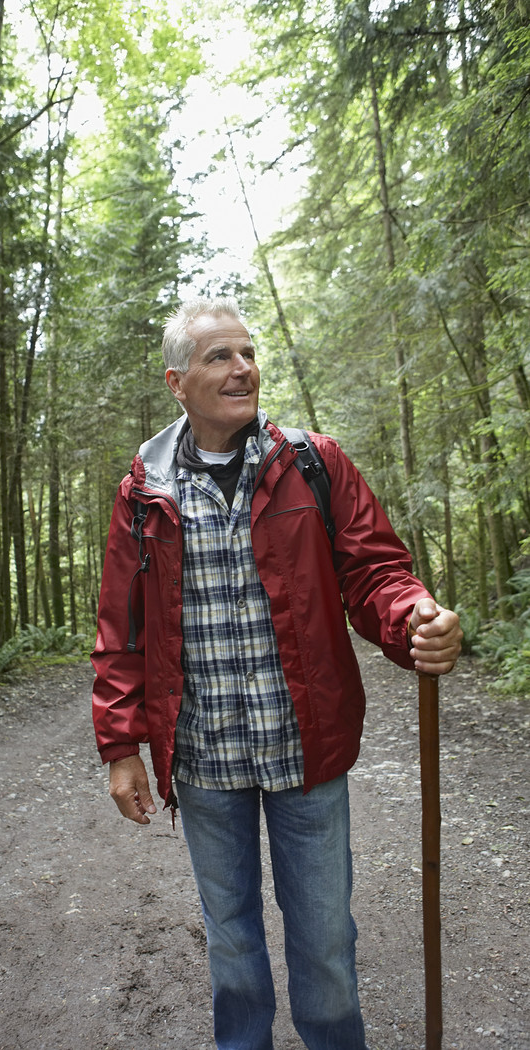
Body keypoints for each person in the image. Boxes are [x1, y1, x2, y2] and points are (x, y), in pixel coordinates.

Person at [91, 295, 462, 1050]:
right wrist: (121, 746)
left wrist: (413, 615)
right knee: (231, 946)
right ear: (176, 381)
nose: (243, 368)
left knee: (325, 944)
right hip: (202, 757)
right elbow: (121, 631)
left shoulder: (313, 465)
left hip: (306, 748)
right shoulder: (143, 495)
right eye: (219, 356)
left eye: (248, 353)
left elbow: (375, 572)